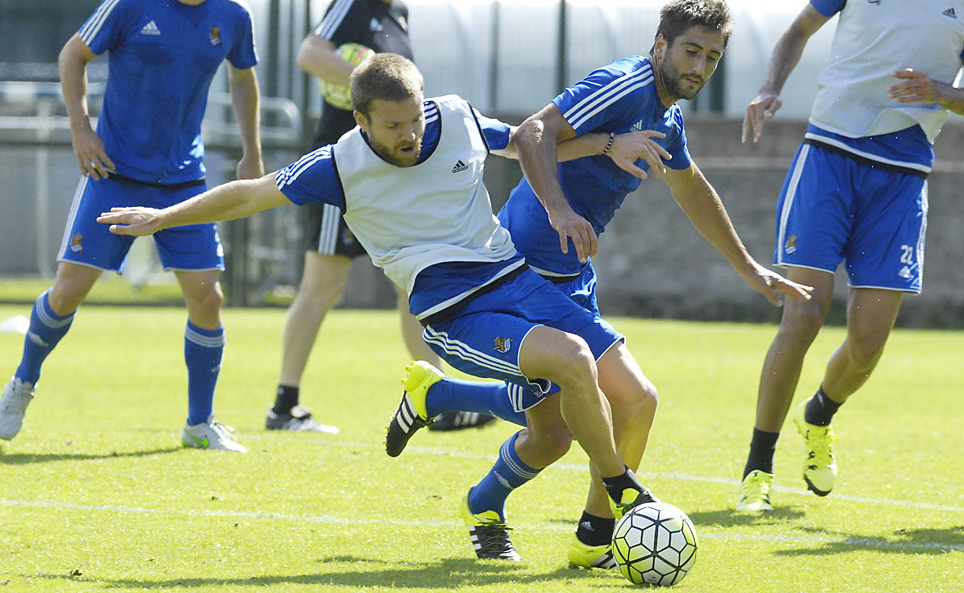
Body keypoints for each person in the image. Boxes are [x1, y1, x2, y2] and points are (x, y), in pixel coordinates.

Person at [98, 53, 659, 560]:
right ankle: (621, 494)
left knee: (589, 418)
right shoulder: (337, 166)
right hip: (453, 310)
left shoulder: (457, 118)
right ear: (360, 121)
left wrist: (606, 144)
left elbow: (523, 141)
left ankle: (480, 496)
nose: (410, 133)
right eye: (393, 125)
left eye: (415, 117)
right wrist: (161, 217)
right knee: (573, 360)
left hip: (518, 280)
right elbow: (249, 195)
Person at [383, 0, 811, 567]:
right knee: (606, 407)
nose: (700, 67)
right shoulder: (625, 85)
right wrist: (560, 208)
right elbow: (534, 133)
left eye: (711, 57)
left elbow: (694, 192)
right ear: (660, 45)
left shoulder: (668, 119)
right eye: (690, 51)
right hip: (519, 270)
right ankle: (575, 528)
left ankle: (570, 528)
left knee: (568, 425)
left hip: (572, 276)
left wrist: (751, 269)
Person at [735, 0, 964, 513]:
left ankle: (819, 416)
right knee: (803, 315)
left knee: (868, 343)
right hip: (827, 158)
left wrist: (941, 92)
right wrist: (769, 88)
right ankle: (757, 469)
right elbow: (797, 30)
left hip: (901, 178)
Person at [0, 0, 262, 452]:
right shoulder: (128, 3)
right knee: (68, 292)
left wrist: (252, 152)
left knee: (209, 299)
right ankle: (21, 383)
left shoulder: (233, 15)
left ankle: (199, 424)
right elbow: (72, 55)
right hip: (114, 174)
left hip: (185, 183)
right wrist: (81, 129)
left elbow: (244, 78)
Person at [266, 0, 493, 433]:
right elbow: (310, 53)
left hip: (389, 175)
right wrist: (363, 79)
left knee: (412, 287)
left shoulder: (399, 12)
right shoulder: (354, 1)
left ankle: (438, 398)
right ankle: (284, 405)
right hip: (347, 173)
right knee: (322, 285)